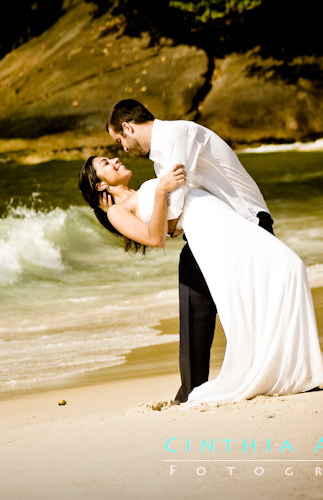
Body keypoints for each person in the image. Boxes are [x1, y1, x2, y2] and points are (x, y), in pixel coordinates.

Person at [78, 156, 323, 405]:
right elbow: (156, 238)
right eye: (106, 164)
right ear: (100, 185)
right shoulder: (117, 212)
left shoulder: (143, 187)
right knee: (281, 273)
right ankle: (286, 373)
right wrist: (161, 191)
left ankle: (291, 369)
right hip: (209, 235)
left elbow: (172, 217)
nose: (115, 159)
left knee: (282, 272)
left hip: (222, 222)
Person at [106, 99, 275, 403]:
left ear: (128, 127)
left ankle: (206, 385)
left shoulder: (175, 137)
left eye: (119, 140)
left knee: (250, 305)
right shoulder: (161, 158)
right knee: (196, 288)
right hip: (220, 230)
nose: (122, 150)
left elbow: (176, 208)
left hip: (247, 221)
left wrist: (164, 220)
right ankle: (192, 387)